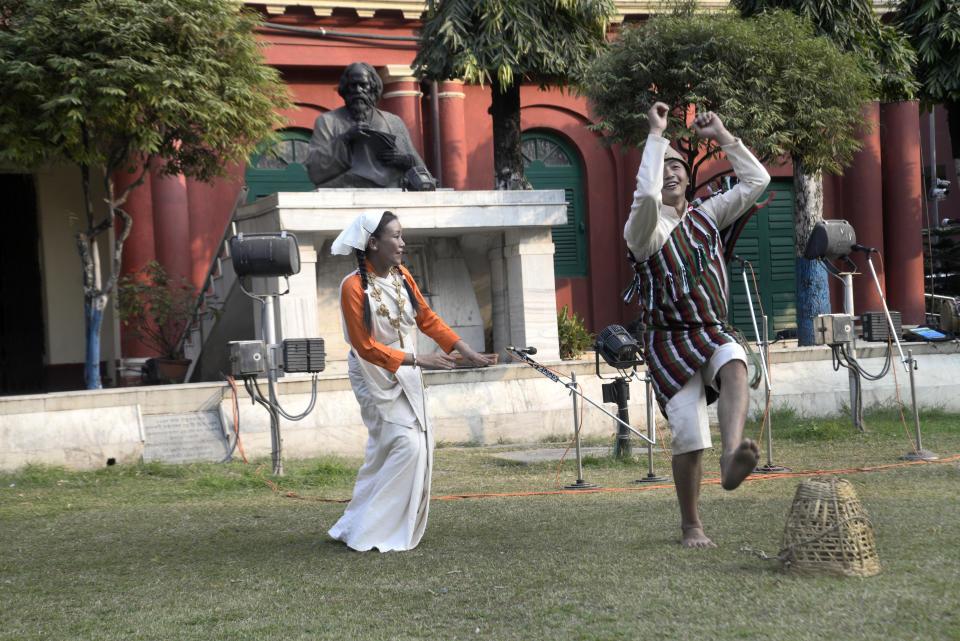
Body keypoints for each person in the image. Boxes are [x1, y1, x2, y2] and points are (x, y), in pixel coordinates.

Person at [624, 102, 770, 548]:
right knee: (688, 433)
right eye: (661, 167)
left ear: (689, 178)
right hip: (668, 342)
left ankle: (731, 457)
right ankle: (691, 526)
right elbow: (647, 197)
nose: (670, 173)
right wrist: (656, 134)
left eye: (677, 167)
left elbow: (758, 181)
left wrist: (724, 134)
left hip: (710, 328)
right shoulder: (642, 230)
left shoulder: (707, 215)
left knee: (735, 360)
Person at [328, 210, 493, 552]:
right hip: (373, 372)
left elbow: (426, 318)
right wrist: (421, 360)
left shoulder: (402, 275)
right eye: (396, 236)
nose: (402, 243)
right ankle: (369, 529)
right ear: (373, 243)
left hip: (407, 367)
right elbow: (365, 347)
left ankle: (358, 525)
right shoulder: (352, 287)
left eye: (402, 236)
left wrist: (466, 350)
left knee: (393, 450)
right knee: (406, 445)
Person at [304, 62, 433, 189]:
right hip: (345, 191)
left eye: (363, 85)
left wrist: (404, 159)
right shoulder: (328, 121)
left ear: (372, 87)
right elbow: (314, 169)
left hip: (390, 192)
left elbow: (419, 167)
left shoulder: (393, 122)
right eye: (352, 85)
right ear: (346, 88)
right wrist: (345, 139)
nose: (358, 90)